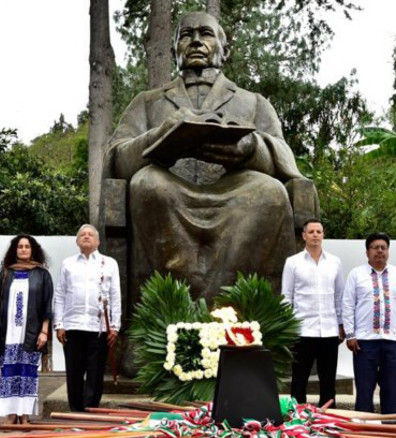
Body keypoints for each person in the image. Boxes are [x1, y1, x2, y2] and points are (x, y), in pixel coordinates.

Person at [104, 11, 317, 302]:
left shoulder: (253, 101)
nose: (195, 42)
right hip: (170, 191)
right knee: (147, 184)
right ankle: (165, 310)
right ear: (173, 50)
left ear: (224, 49)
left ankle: (243, 311)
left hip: (235, 191)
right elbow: (116, 159)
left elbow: (284, 157)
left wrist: (251, 148)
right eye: (185, 36)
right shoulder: (147, 102)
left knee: (270, 192)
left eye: (205, 34)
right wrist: (161, 137)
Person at [342, 233, 396, 414]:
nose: (380, 251)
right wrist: (350, 334)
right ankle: (362, 431)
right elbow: (347, 305)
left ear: (388, 251)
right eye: (375, 247)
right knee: (365, 389)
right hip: (364, 342)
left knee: (391, 389)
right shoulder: (356, 275)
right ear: (367, 252)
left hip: (393, 341)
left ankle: (391, 431)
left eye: (384, 247)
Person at [0, 235, 53, 425]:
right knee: (9, 372)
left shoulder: (42, 274)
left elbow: (48, 306)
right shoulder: (6, 274)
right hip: (7, 333)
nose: (23, 249)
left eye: (27, 246)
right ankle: (10, 414)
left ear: (33, 250)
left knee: (27, 372)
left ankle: (24, 415)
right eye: (20, 246)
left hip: (31, 334)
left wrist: (44, 332)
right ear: (14, 250)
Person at [53, 224, 121, 412]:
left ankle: (90, 412)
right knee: (74, 373)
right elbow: (60, 294)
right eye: (82, 234)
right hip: (73, 326)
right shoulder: (68, 263)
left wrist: (115, 326)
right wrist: (59, 324)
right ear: (76, 241)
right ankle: (75, 411)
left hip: (98, 327)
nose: (86, 236)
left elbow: (115, 296)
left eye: (90, 234)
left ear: (98, 241)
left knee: (95, 373)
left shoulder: (109, 263)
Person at [281, 219, 344, 407]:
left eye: (319, 231)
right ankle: (296, 419)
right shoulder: (293, 263)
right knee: (299, 379)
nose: (316, 235)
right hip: (302, 330)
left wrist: (341, 324)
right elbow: (286, 296)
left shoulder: (335, 262)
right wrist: (288, 327)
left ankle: (328, 419)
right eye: (311, 232)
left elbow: (339, 296)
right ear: (304, 235)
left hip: (329, 330)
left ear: (323, 235)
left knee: (328, 381)